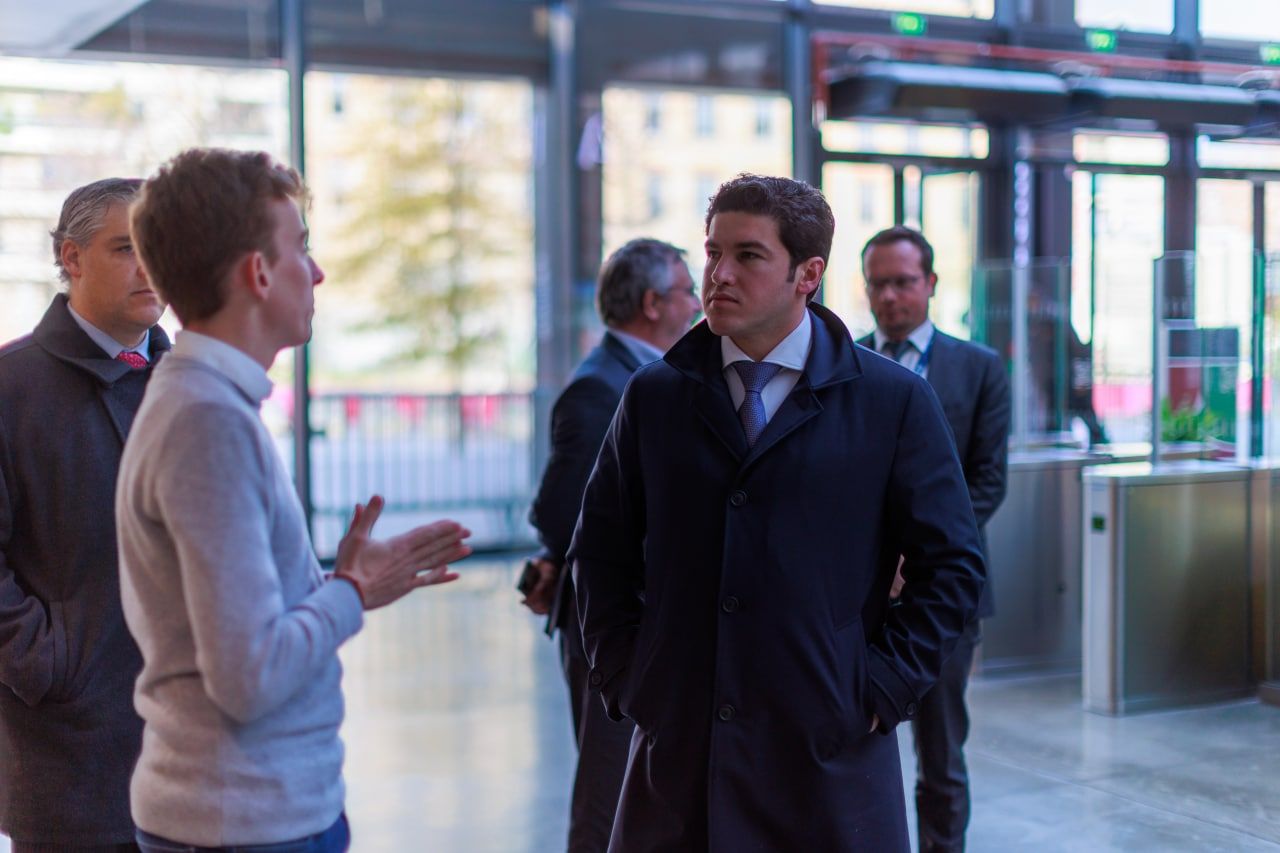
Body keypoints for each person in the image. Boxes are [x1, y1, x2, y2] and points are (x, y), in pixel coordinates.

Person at [570, 174, 985, 852]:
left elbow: (953, 566)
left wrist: (881, 688)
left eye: (748, 255)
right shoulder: (655, 396)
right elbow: (600, 551)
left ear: (807, 275)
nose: (719, 274)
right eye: (713, 252)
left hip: (829, 764)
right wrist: (628, 679)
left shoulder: (892, 401)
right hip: (681, 758)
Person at [116, 148, 472, 853]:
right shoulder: (206, 421)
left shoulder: (203, 401)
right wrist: (351, 591)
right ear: (257, 273)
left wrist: (340, 585)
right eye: (301, 248)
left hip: (244, 813)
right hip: (244, 821)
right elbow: (249, 675)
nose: (317, 272)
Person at [0, 177, 168, 852]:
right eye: (127, 249)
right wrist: (47, 660)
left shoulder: (190, 383)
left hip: (196, 747)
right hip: (70, 755)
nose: (150, 268)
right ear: (71, 257)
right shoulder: (11, 386)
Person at [523, 238, 700, 852]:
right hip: (611, 622)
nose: (697, 303)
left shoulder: (644, 377)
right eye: (688, 291)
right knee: (609, 792)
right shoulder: (603, 388)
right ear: (653, 303)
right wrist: (557, 555)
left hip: (643, 618)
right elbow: (562, 508)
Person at [858, 225, 1010, 853]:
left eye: (902, 282)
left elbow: (987, 482)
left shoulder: (978, 368)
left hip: (942, 591)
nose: (888, 296)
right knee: (851, 745)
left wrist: (913, 558)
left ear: (931, 284)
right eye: (877, 284)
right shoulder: (845, 362)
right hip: (855, 591)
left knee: (941, 754)